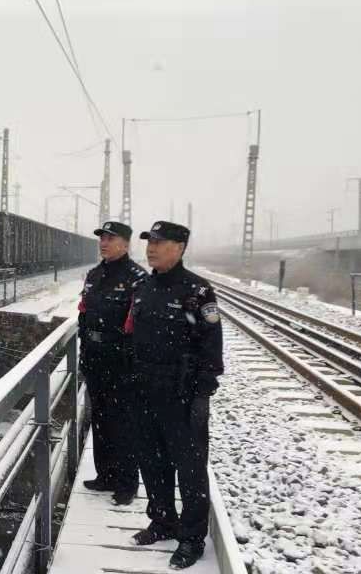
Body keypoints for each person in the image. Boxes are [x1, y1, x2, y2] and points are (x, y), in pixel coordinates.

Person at [128, 221, 223, 570]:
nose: (151, 248)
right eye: (149, 242)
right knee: (152, 462)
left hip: (182, 394)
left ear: (180, 247)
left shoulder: (197, 291)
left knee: (191, 470)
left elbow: (212, 347)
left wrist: (202, 394)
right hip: (145, 390)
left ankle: (192, 538)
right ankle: (163, 521)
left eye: (160, 242)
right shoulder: (144, 287)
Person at [78, 220, 147, 505]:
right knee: (101, 420)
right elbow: (83, 315)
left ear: (126, 244)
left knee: (125, 423)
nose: (104, 243)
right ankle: (105, 474)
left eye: (110, 238)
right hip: (95, 359)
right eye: (102, 238)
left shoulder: (137, 278)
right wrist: (84, 352)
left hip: (121, 363)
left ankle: (127, 482)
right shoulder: (94, 275)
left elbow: (140, 326)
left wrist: (132, 362)